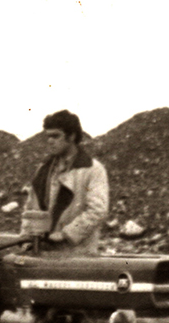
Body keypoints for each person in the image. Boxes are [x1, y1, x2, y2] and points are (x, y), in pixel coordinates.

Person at [23, 109, 109, 256]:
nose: (50, 141)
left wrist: (66, 234)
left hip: (77, 256)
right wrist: (25, 243)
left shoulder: (92, 169)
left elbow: (97, 211)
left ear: (71, 136)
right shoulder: (43, 171)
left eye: (56, 136)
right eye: (48, 136)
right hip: (43, 254)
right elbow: (31, 210)